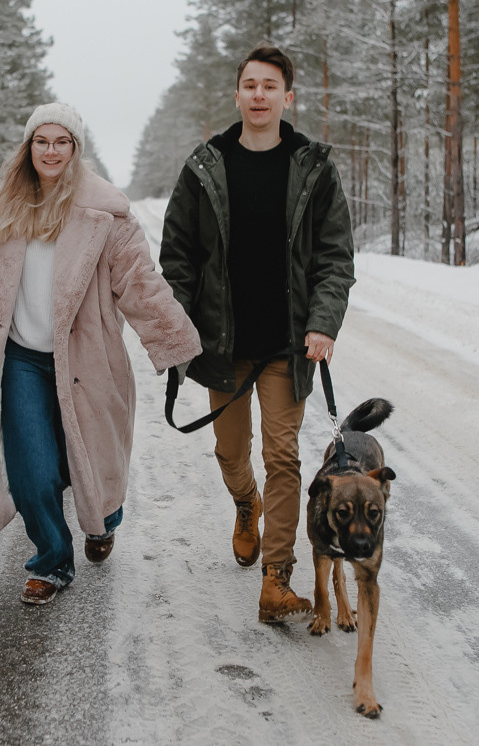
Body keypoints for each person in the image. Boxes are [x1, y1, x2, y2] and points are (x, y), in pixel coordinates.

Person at [0, 103, 201, 606]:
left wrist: (173, 343)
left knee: (93, 457)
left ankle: (102, 521)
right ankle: (51, 561)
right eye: (42, 141)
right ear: (28, 147)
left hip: (85, 357)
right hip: (20, 358)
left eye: (61, 142)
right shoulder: (2, 212)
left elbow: (139, 283)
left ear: (75, 149)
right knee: (31, 467)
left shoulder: (105, 217)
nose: (51, 151)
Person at [159, 44, 355, 623]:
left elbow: (334, 256)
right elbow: (178, 258)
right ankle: (246, 504)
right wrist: (177, 328)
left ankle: (276, 581)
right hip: (222, 345)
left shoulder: (313, 166)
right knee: (231, 451)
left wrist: (322, 322)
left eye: (271, 86)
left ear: (287, 97)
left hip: (285, 347)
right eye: (250, 85)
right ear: (238, 95)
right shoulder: (206, 166)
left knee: (285, 459)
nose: (260, 94)